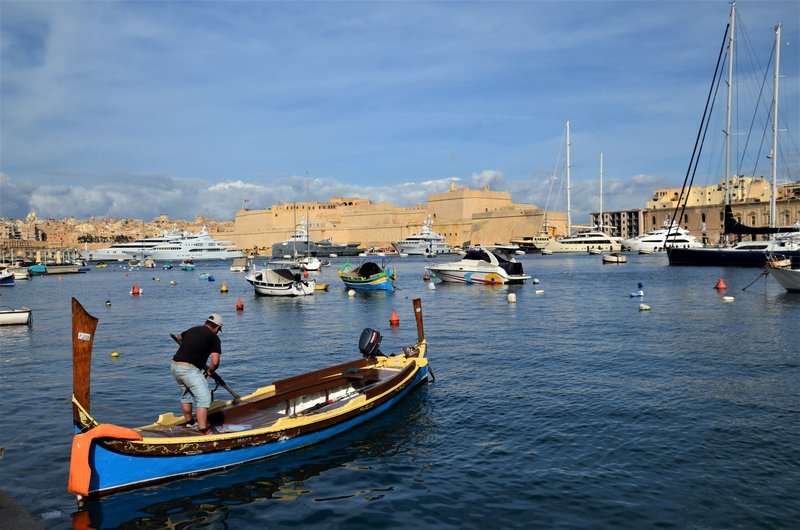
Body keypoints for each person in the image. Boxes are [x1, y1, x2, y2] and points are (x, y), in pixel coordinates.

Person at [171, 313, 223, 435]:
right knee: (204, 398)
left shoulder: (193, 329)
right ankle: (203, 429)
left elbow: (179, 338)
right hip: (189, 369)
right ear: (217, 327)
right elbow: (215, 362)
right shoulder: (214, 338)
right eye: (219, 330)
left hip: (175, 365)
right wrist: (210, 372)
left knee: (186, 395)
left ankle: (189, 422)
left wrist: (190, 347)